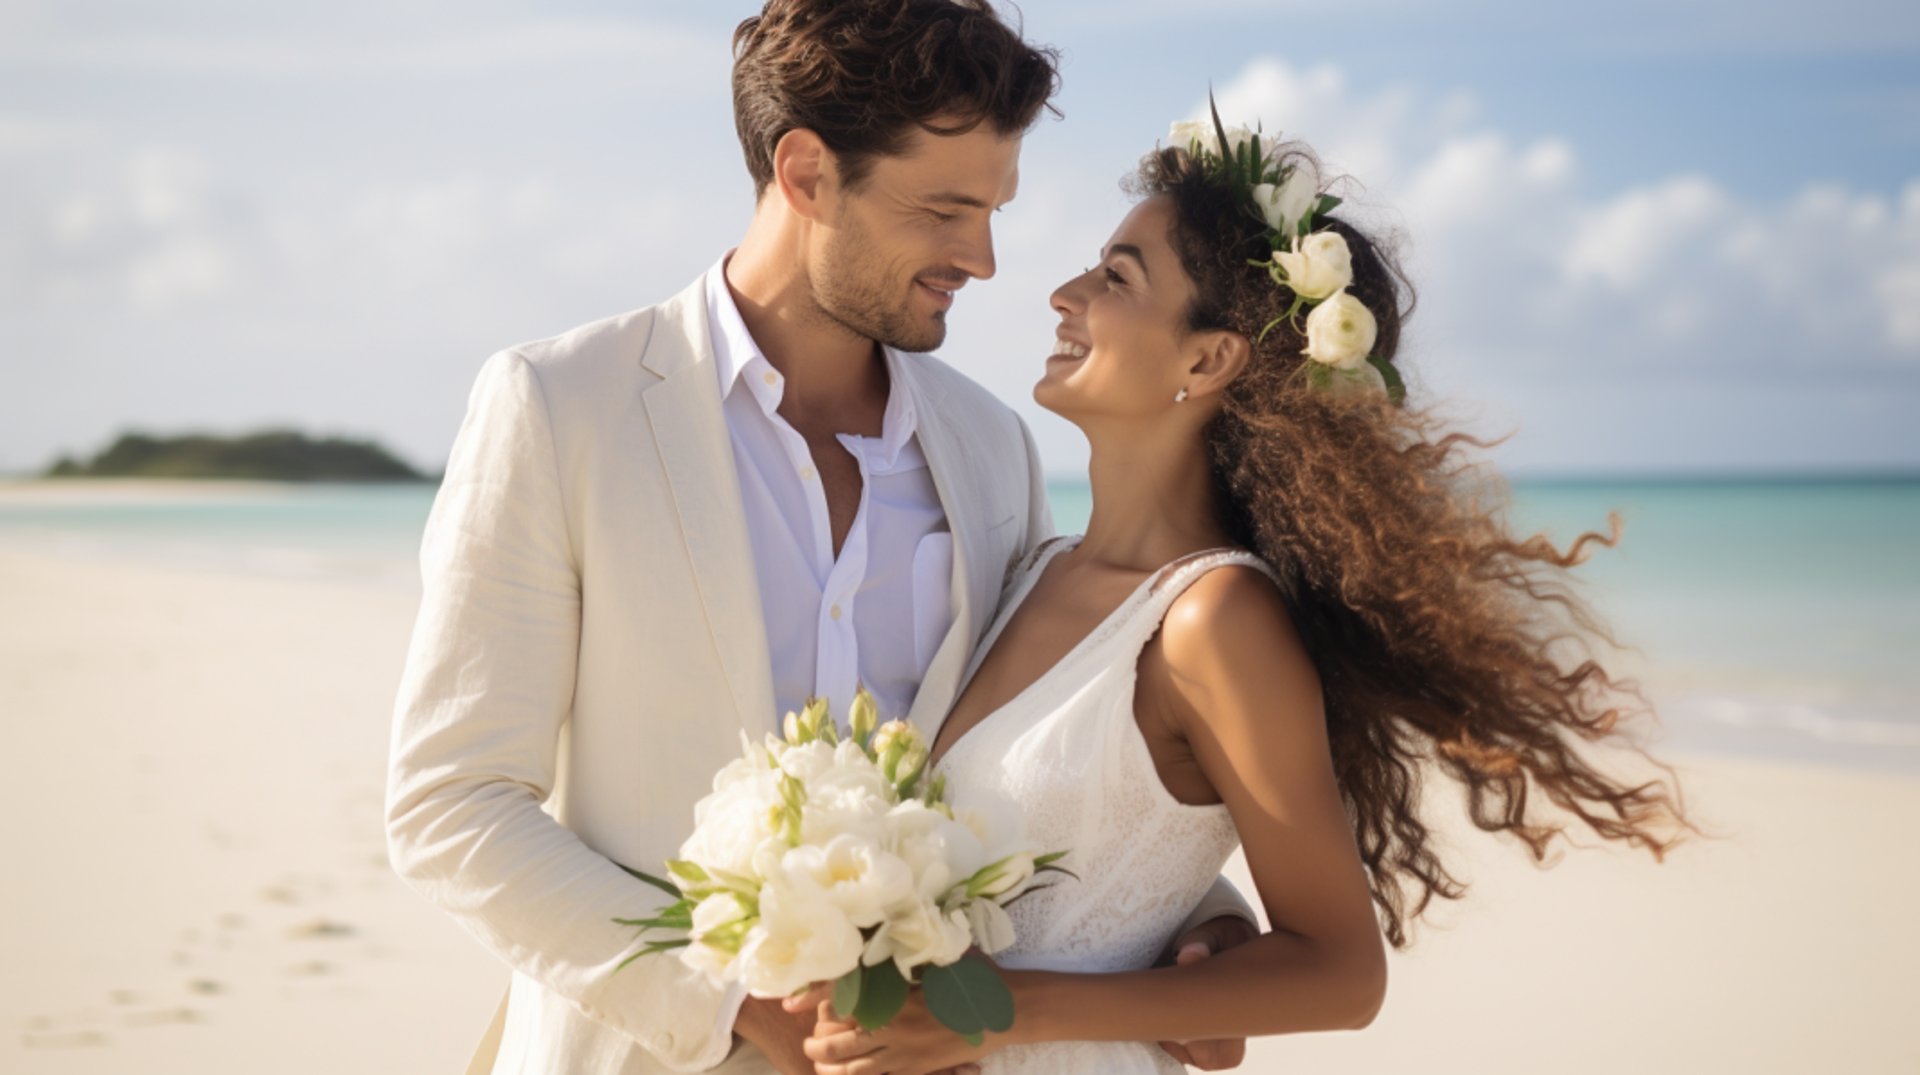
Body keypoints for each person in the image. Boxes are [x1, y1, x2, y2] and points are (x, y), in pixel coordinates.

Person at [383, 5, 1257, 1074]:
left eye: (992, 209)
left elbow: (1040, 766)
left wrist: (1201, 920)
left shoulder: (991, 449)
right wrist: (726, 1007)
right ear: (805, 174)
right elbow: (452, 803)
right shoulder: (561, 405)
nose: (981, 259)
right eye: (944, 209)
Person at [795, 121, 1693, 1075]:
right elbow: (1113, 843)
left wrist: (1000, 1010)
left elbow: (1342, 972)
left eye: (1118, 278)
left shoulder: (1213, 622)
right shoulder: (1032, 568)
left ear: (1209, 361)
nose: (1065, 295)